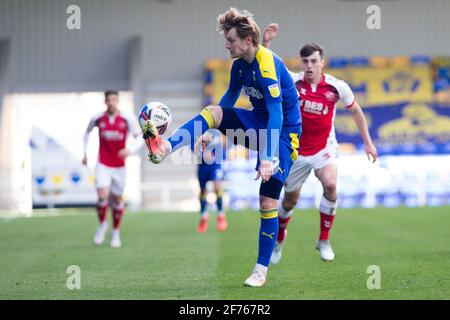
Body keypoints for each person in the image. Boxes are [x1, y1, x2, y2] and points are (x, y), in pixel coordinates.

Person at [141, 8, 301, 287]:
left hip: (283, 135)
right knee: (213, 111)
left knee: (267, 201)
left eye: (230, 40)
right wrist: (210, 130)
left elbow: (277, 115)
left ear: (248, 39)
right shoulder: (240, 64)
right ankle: (166, 147)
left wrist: (267, 157)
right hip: (257, 124)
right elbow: (228, 99)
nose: (227, 45)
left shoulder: (266, 63)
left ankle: (260, 271)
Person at [262, 24, 378, 264]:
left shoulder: (337, 87)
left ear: (322, 62)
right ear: (301, 63)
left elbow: (356, 111)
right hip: (296, 152)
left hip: (325, 149)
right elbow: (269, 68)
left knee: (331, 184)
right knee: (290, 201)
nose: (309, 66)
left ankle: (324, 240)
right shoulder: (293, 82)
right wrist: (267, 43)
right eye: (305, 61)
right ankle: (279, 240)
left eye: (314, 61)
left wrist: (368, 143)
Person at [83, 90, 143, 248]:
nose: (111, 102)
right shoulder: (97, 118)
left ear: (118, 101)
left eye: (114, 99)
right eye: (109, 100)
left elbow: (140, 138)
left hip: (119, 166)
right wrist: (85, 153)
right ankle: (103, 225)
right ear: (105, 102)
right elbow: (86, 133)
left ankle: (116, 232)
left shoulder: (127, 118)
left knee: (117, 200)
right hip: (103, 163)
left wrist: (129, 150)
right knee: (102, 195)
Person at [193, 129, 228, 233]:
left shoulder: (217, 130)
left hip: (215, 165)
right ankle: (204, 217)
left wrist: (215, 155)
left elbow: (222, 148)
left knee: (217, 186)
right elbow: (193, 147)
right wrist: (202, 153)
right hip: (203, 166)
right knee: (203, 190)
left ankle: (221, 215)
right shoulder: (200, 128)